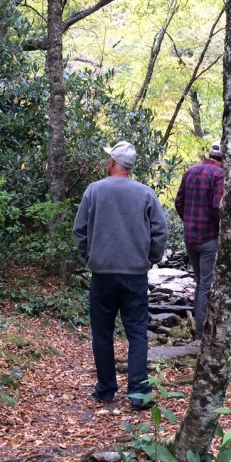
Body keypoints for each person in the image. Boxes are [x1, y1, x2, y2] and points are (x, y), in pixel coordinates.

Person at [74, 141, 168, 409]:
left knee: (102, 332)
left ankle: (105, 390)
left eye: (108, 158)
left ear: (114, 161)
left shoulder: (94, 191)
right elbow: (159, 232)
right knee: (137, 332)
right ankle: (138, 393)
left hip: (102, 273)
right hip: (134, 274)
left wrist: (90, 257)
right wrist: (150, 259)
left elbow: (80, 230)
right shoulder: (145, 193)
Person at [174, 141, 224, 340]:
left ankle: (199, 329)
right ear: (223, 159)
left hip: (190, 238)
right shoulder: (219, 175)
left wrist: (188, 221)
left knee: (199, 283)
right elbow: (217, 206)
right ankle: (201, 335)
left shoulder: (189, 172)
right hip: (208, 237)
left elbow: (179, 202)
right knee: (205, 285)